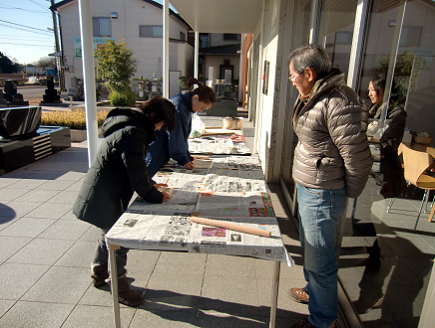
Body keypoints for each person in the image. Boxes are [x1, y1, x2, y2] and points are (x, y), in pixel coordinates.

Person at [288, 45, 373, 328]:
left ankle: (323, 322)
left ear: (308, 73)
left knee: (320, 263)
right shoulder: (317, 96)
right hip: (311, 188)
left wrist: (343, 192)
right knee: (313, 252)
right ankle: (314, 293)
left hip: (322, 193)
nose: (292, 80)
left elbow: (358, 160)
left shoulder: (337, 101)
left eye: (293, 76)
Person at [73, 96, 177, 306]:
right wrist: (155, 195)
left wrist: (151, 184)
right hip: (104, 194)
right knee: (119, 240)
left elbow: (135, 168)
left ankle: (98, 272)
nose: (159, 129)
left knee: (108, 234)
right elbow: (137, 174)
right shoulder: (134, 132)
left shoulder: (132, 127)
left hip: (105, 191)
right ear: (155, 117)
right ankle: (119, 287)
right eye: (161, 124)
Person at [146, 78, 216, 177]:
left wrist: (187, 156)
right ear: (196, 97)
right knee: (146, 175)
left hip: (164, 147)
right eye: (202, 107)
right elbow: (176, 136)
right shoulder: (179, 107)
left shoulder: (186, 106)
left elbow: (183, 135)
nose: (200, 111)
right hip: (157, 147)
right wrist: (183, 159)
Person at [367, 72, 407, 198]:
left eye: (372, 90)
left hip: (382, 170)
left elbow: (389, 143)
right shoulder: (373, 111)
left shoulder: (395, 114)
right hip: (371, 167)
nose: (369, 94)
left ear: (382, 90)